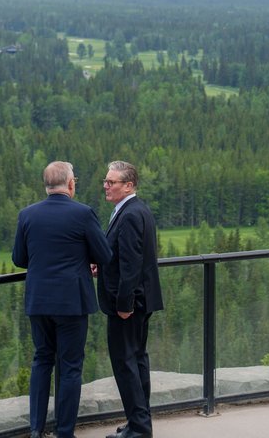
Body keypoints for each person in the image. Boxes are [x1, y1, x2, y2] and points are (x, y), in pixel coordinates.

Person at [13, 161, 112, 438]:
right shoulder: (82, 214)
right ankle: (64, 432)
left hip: (39, 301)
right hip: (72, 302)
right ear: (70, 184)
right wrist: (86, 260)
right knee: (70, 367)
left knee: (42, 360)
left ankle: (35, 430)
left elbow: (19, 259)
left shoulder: (27, 215)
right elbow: (104, 255)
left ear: (46, 186)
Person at [97, 160, 163, 438]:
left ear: (129, 185)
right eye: (105, 181)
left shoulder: (131, 214)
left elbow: (132, 264)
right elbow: (123, 255)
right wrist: (101, 263)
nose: (106, 186)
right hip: (140, 301)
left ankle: (139, 428)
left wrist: (123, 305)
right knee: (136, 361)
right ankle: (139, 422)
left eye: (112, 182)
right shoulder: (135, 209)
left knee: (126, 364)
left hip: (129, 305)